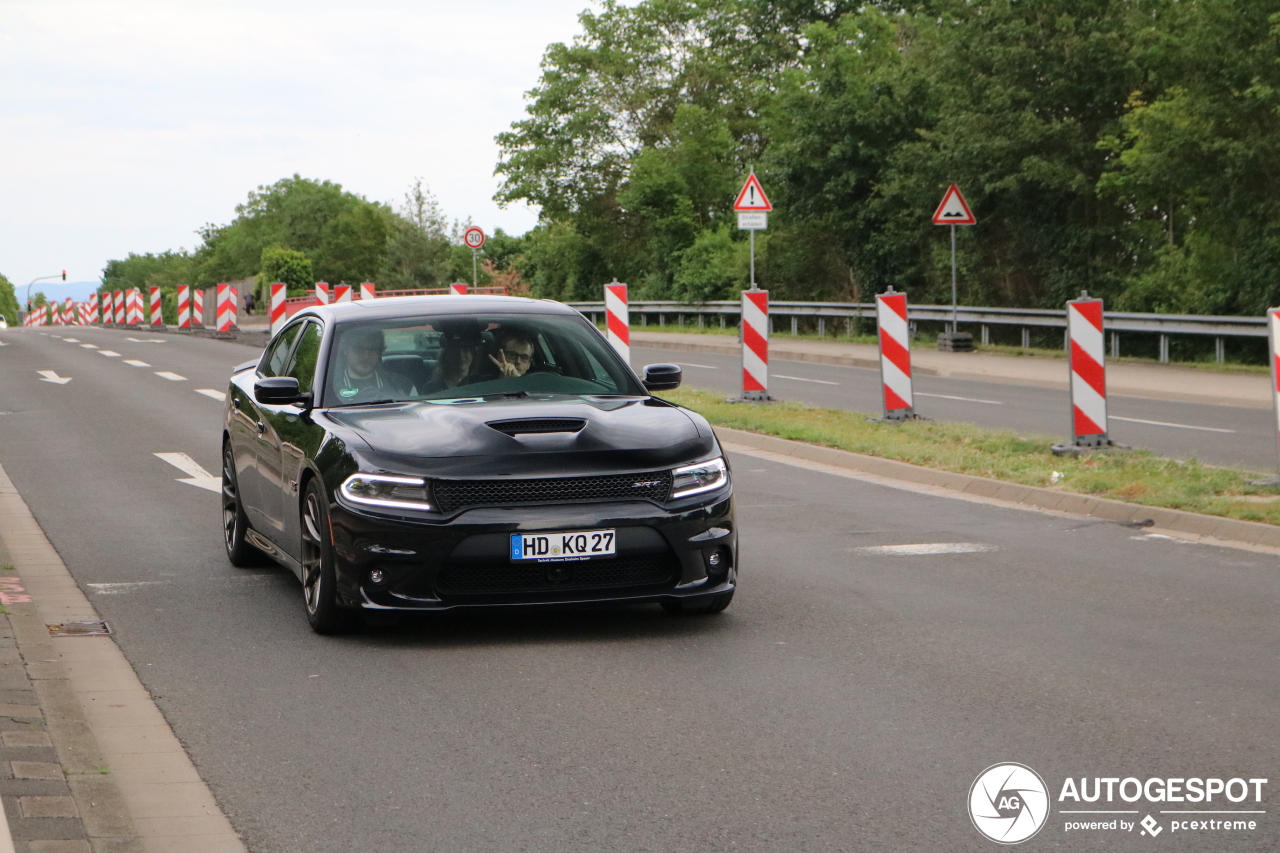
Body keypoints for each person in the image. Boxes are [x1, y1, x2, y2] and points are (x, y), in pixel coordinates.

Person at [333, 327, 414, 403]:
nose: (366, 356)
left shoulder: (403, 385)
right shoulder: (330, 388)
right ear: (345, 350)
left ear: (379, 352)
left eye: (372, 350)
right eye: (359, 349)